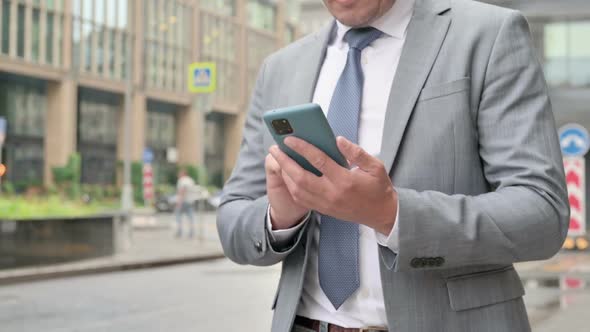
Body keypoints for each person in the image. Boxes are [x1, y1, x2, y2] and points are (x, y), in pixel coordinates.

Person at [217, 0, 570, 331]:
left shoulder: (488, 35)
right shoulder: (280, 68)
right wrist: (280, 218)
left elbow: (542, 213)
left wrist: (394, 214)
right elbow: (233, 217)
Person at [175, 169, 195, 238]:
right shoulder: (190, 180)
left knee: (178, 216)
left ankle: (179, 231)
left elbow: (183, 190)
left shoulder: (182, 180)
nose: (178, 175)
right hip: (190, 201)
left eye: (179, 173)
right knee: (190, 217)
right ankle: (191, 232)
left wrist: (179, 201)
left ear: (183, 174)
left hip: (184, 201)